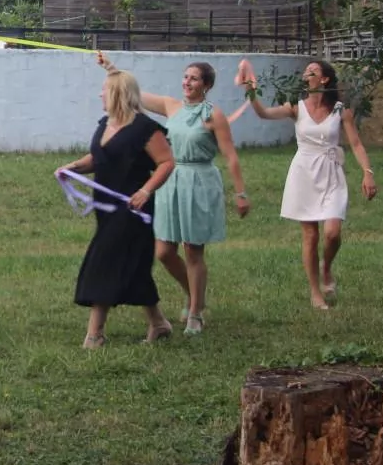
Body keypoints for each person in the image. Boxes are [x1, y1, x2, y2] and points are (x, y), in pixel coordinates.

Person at [97, 52, 249, 335]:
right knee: (164, 252)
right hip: (170, 180)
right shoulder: (171, 106)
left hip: (199, 181)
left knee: (192, 249)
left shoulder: (213, 115)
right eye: (185, 77)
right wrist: (111, 68)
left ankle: (196, 313)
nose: (187, 82)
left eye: (194, 79)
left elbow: (230, 156)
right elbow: (134, 94)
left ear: (206, 85)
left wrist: (241, 194)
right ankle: (193, 294)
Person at [240, 59, 377, 310]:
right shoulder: (296, 106)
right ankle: (315, 292)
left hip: (332, 172)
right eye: (306, 72)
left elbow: (356, 144)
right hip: (303, 173)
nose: (306, 75)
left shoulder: (340, 110)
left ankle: (326, 267)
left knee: (332, 233)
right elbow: (263, 113)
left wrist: (367, 173)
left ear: (324, 79)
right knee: (311, 236)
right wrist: (250, 91)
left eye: (312, 72)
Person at [58, 69, 176, 349]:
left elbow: (166, 162)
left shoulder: (145, 128)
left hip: (134, 208)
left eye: (104, 90)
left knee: (104, 261)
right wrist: (72, 168)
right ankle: (159, 323)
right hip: (107, 208)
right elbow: (99, 158)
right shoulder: (105, 123)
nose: (100, 94)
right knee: (134, 267)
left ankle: (95, 334)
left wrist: (146, 190)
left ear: (117, 93)